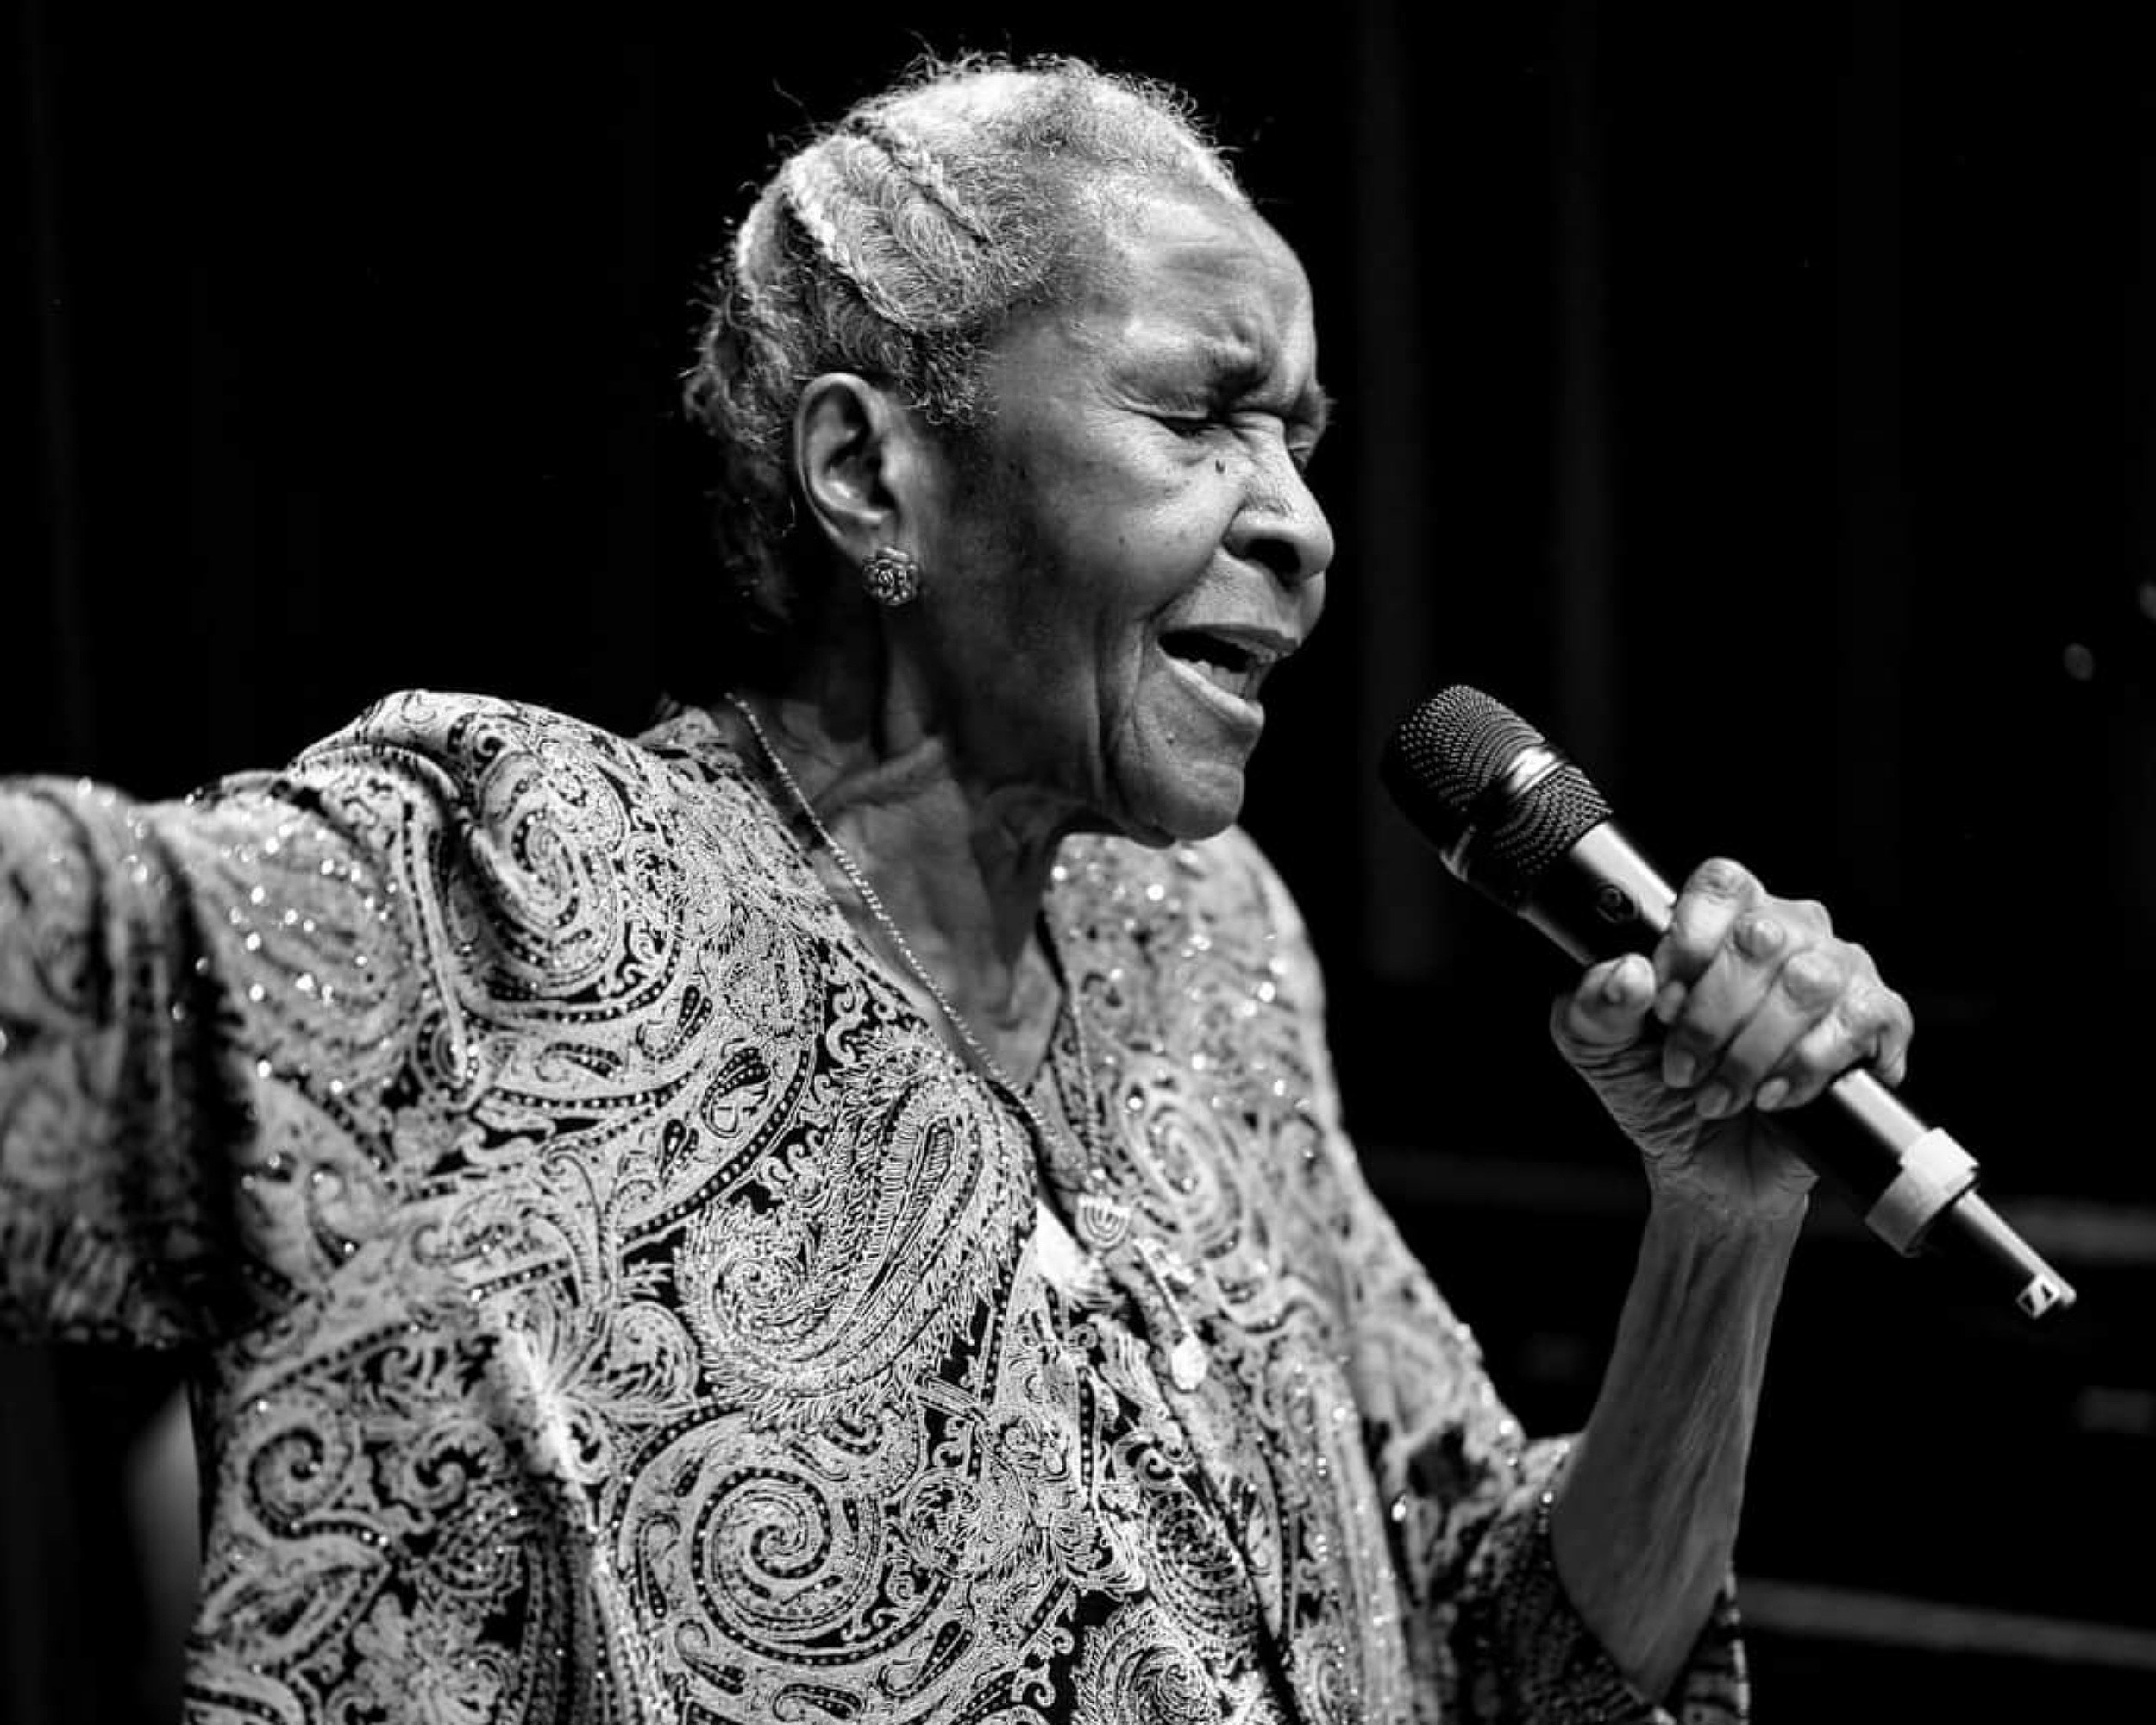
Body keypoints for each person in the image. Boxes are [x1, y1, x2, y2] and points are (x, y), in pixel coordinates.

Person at [0, 53, 1912, 1723]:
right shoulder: (527, 884)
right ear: (868, 474)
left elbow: (1526, 1658)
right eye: (1199, 416)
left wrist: (1714, 1222)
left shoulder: (1202, 941)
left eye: (1302, 438)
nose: (1302, 524)